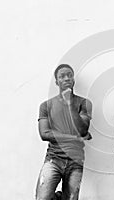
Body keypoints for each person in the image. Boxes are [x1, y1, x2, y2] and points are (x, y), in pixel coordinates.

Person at [35, 64, 92, 200]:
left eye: (69, 75)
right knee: (42, 198)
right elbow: (45, 134)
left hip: (75, 161)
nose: (67, 78)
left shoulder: (84, 103)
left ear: (73, 80)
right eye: (62, 76)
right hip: (53, 159)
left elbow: (82, 129)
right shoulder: (46, 106)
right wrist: (75, 138)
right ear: (57, 82)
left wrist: (70, 104)